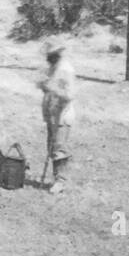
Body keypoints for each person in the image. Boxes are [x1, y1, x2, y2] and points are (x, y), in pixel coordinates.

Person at [39, 44, 77, 194]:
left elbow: (70, 94)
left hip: (62, 115)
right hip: (52, 114)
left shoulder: (65, 70)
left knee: (59, 148)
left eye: (50, 55)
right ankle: (56, 178)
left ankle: (61, 181)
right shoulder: (53, 68)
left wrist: (52, 89)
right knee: (52, 147)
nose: (47, 58)